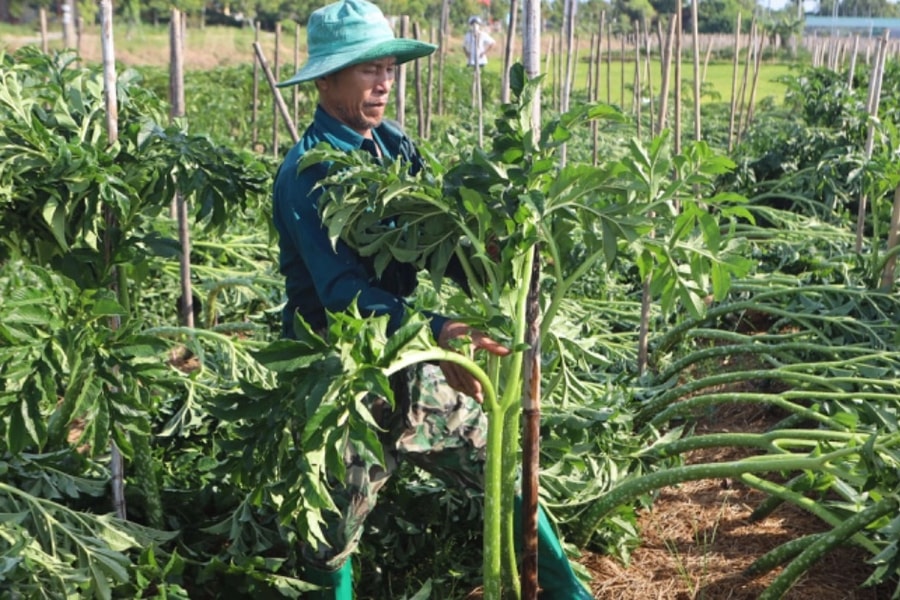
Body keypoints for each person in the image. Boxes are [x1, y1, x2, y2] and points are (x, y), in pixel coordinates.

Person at [273, 1, 593, 598]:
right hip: (341, 374)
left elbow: (437, 242)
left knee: (499, 471)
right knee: (332, 529)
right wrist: (441, 331)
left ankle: (571, 594)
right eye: (367, 68)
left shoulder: (395, 146)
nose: (384, 80)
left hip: (408, 358)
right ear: (324, 79)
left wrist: (497, 250)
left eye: (389, 65)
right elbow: (341, 293)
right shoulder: (306, 173)